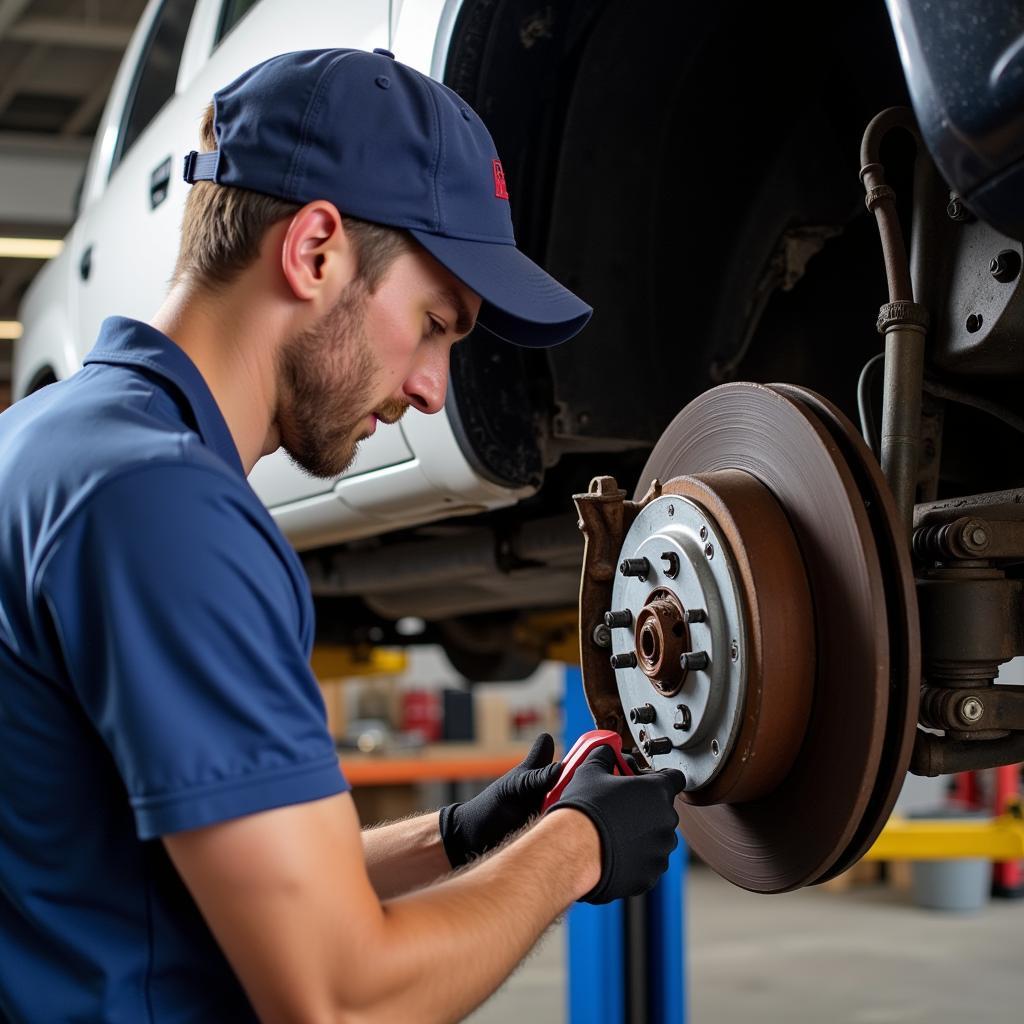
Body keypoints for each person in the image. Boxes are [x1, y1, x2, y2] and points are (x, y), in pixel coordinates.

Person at [0, 48, 684, 1022]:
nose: (431, 387)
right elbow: (338, 998)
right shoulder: (163, 508)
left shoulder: (51, 446)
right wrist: (575, 848)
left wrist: (460, 836)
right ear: (315, 250)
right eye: (435, 322)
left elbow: (184, 870)